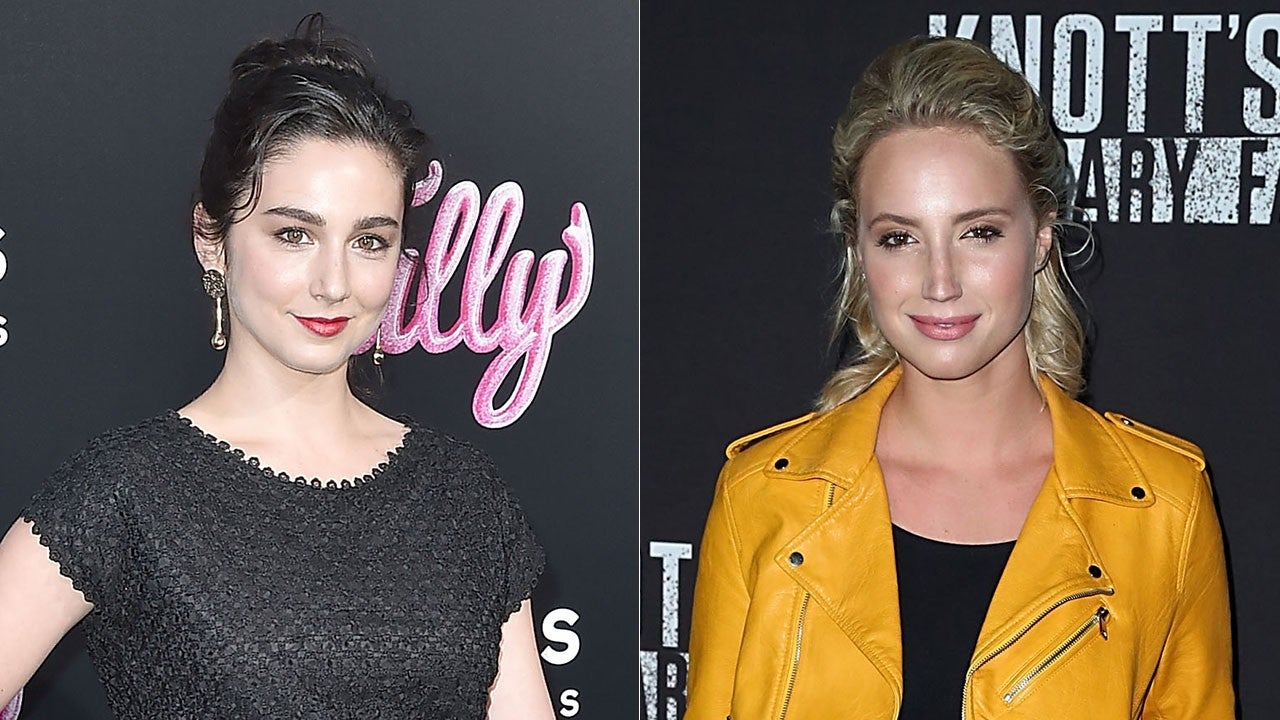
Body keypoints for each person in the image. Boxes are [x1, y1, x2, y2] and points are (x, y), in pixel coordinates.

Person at [0, 15, 554, 720]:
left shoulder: (466, 499)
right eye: (294, 234)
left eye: (370, 241)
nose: (334, 283)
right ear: (212, 239)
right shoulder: (126, 493)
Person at [686, 36, 1233, 719]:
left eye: (979, 232)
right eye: (899, 238)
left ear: (1041, 235)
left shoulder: (1162, 511)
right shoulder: (761, 499)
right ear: (859, 250)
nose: (939, 282)